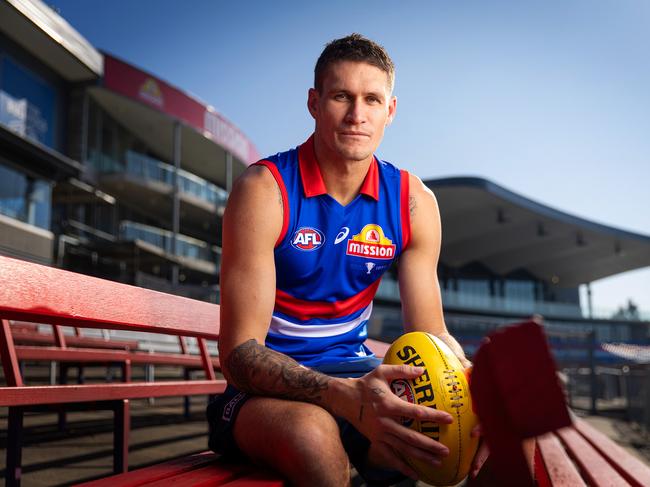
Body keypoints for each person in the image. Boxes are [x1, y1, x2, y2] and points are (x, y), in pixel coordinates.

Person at [207, 33, 473, 486]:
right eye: (341, 97)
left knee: (457, 436)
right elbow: (239, 355)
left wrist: (467, 379)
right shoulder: (265, 190)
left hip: (358, 373)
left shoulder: (413, 201)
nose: (356, 115)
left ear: (390, 110)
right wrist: (339, 395)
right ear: (314, 103)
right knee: (314, 438)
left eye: (372, 99)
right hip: (264, 390)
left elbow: (432, 333)